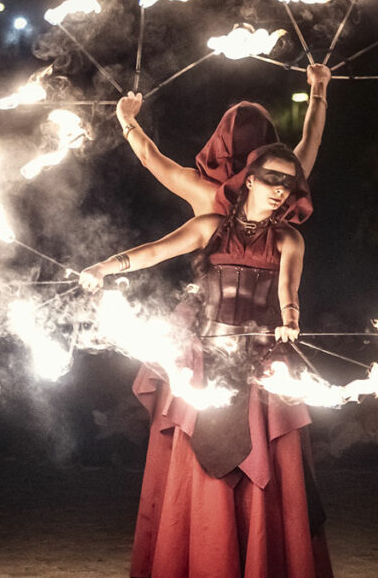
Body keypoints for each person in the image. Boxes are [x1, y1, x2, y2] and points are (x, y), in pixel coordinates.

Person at [80, 144, 331, 578]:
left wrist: (291, 321)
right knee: (204, 473)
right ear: (250, 179)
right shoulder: (209, 227)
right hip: (206, 362)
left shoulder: (290, 238)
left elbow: (289, 290)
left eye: (288, 184)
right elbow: (156, 251)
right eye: (272, 179)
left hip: (260, 364)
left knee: (263, 471)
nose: (279, 190)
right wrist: (105, 267)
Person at [116, 64, 331, 216]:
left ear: (219, 143)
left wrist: (125, 118)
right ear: (267, 144)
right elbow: (312, 139)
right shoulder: (283, 185)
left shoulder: (202, 189)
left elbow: (148, 156)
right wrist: (319, 85)